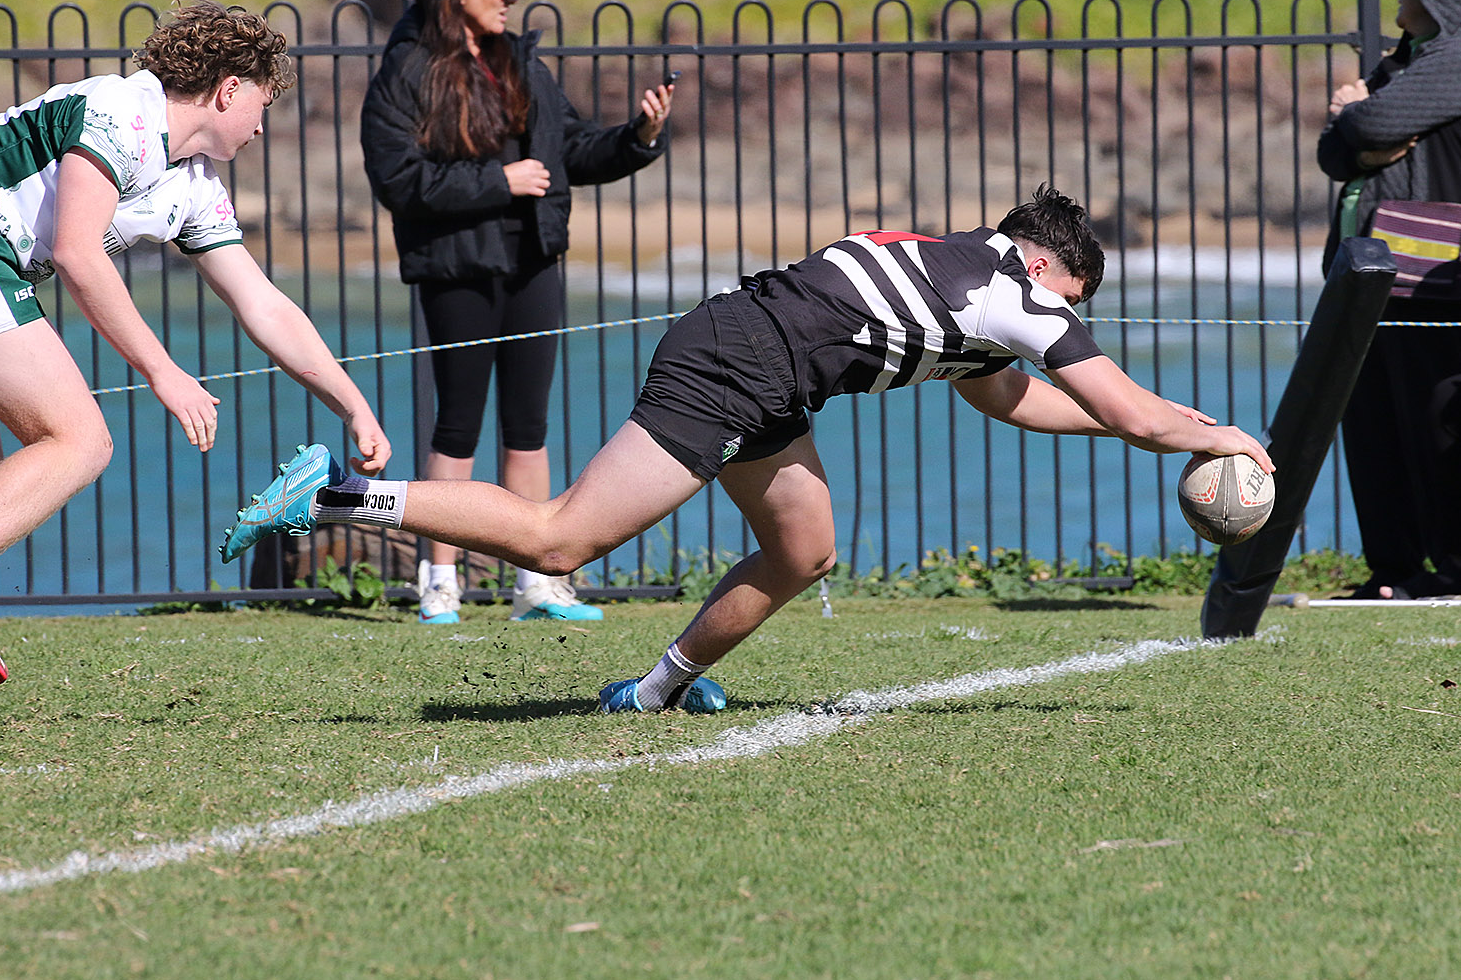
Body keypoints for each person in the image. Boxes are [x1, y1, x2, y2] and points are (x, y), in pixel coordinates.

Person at [222, 185, 1274, 714]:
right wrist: (1214, 432)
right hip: (738, 365)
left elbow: (1013, 406)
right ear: (1048, 265)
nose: (1069, 324)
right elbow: (1131, 411)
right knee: (557, 544)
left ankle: (655, 693)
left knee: (803, 551)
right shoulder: (1017, 297)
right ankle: (337, 497)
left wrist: (1152, 431)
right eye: (1073, 302)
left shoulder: (979, 286)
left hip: (765, 369)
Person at [0, 1, 391, 741]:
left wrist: (351, 402)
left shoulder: (195, 185)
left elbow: (262, 301)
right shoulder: (121, 111)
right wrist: (164, 371)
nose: (263, 128)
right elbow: (77, 251)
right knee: (80, 441)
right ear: (230, 89)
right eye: (262, 106)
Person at [360, 0, 673, 624]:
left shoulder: (520, 62)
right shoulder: (406, 68)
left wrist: (638, 139)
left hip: (533, 260)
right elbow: (397, 178)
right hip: (456, 267)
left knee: (528, 427)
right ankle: (439, 580)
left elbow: (573, 151)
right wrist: (497, 181)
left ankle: (537, 579)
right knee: (458, 428)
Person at [1318, 0, 1461, 600]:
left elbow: (1365, 128)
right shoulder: (1400, 64)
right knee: (1369, 425)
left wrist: (1358, 116)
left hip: (1431, 285)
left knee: (1435, 425)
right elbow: (1335, 151)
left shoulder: (1452, 59)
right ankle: (1395, 572)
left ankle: (1453, 567)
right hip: (1366, 281)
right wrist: (1360, 127)